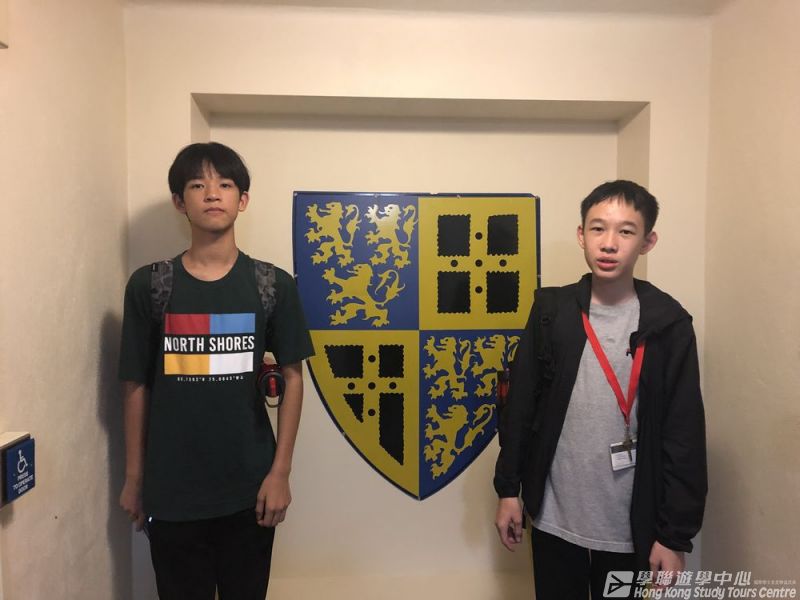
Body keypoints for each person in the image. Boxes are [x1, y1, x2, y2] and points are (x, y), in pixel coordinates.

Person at [118, 142, 314, 599]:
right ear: (179, 201)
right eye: (197, 185)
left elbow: (293, 378)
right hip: (172, 491)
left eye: (224, 184)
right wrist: (134, 478)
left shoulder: (272, 285)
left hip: (250, 490)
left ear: (242, 200)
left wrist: (280, 473)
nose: (211, 193)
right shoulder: (151, 285)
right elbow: (135, 385)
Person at [494, 180, 706, 599]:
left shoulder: (669, 324)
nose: (609, 243)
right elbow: (520, 408)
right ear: (581, 235)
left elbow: (684, 435)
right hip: (554, 514)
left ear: (647, 242)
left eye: (626, 231)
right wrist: (508, 490)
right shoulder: (552, 311)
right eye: (597, 228)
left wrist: (674, 537)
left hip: (632, 524)